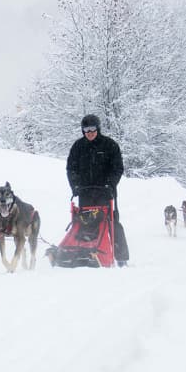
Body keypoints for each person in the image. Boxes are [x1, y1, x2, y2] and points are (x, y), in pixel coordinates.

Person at [66, 114, 129, 266]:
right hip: (85, 192)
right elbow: (71, 168)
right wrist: (75, 186)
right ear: (83, 131)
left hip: (105, 192)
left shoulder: (109, 145)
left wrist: (111, 184)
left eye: (93, 129)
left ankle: (121, 258)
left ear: (98, 128)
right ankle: (85, 254)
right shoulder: (78, 147)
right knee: (85, 223)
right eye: (86, 130)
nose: (90, 132)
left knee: (112, 223)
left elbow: (117, 168)